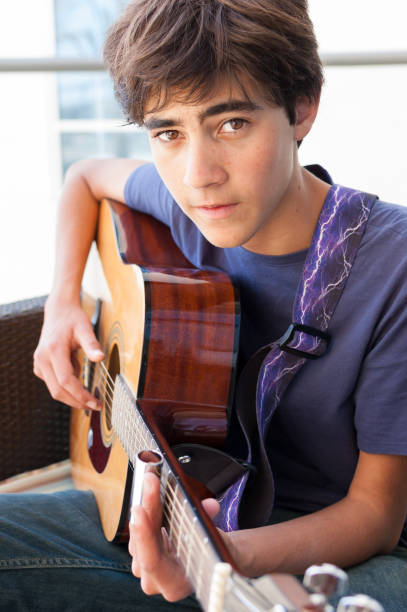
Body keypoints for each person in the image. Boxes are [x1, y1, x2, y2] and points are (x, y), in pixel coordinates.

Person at [1, 0, 407, 610]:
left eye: (232, 124)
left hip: (343, 552)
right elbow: (84, 177)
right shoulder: (186, 208)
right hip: (174, 504)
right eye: (168, 132)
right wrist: (62, 304)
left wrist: (219, 556)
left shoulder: (393, 268)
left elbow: (375, 515)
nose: (198, 175)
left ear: (302, 109)